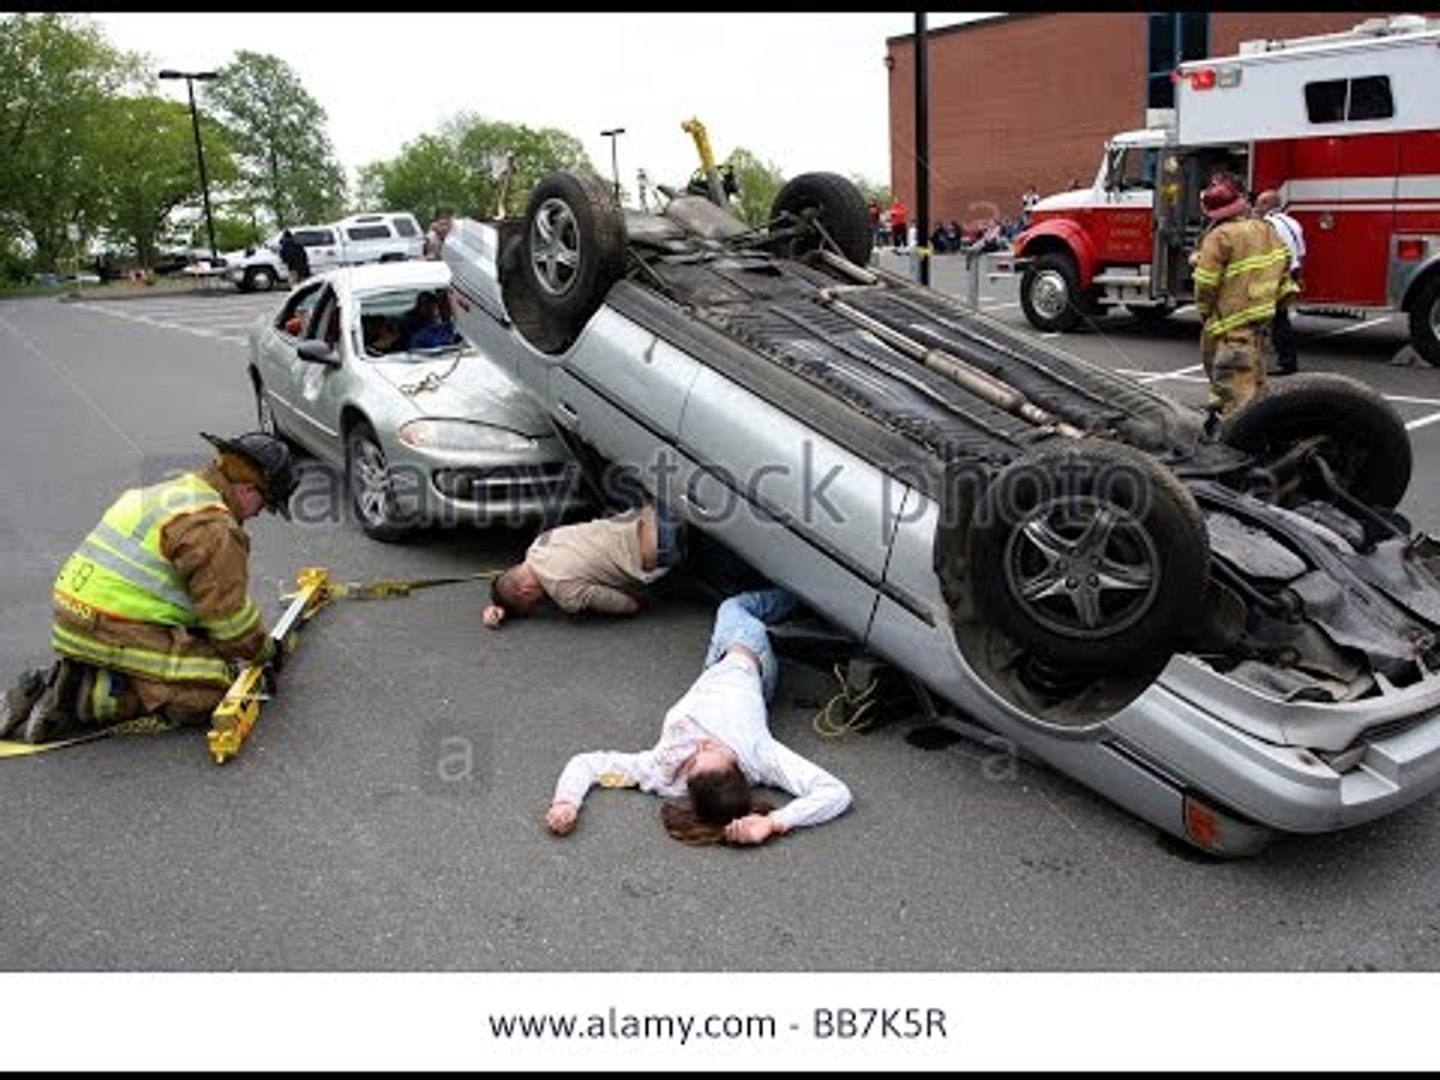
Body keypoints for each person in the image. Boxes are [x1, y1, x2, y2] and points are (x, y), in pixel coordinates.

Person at [0, 433, 298, 745]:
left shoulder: (175, 492)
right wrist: (264, 651)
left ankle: (90, 673)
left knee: (206, 653)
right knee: (215, 685)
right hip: (108, 625)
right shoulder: (214, 527)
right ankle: (83, 696)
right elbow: (228, 621)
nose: (257, 514)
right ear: (248, 488)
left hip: (74, 616)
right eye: (264, 504)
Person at [544, 587, 853, 846]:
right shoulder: (760, 755)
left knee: (729, 611)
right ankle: (802, 592)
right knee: (738, 610)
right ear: (740, 770)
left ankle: (794, 603)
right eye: (714, 750)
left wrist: (566, 801)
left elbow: (589, 764)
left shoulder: (663, 773)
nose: (701, 745)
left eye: (694, 761)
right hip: (747, 655)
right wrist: (774, 822)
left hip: (714, 667)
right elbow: (835, 793)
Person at [1191, 175, 1296, 421]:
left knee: (1235, 397)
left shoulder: (1219, 237)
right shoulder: (1265, 229)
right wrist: (1276, 302)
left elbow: (1205, 284)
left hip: (1230, 328)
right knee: (1255, 383)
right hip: (1260, 322)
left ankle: (1233, 444)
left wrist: (1205, 312)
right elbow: (1285, 265)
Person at [482, 502, 685, 629]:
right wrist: (503, 605)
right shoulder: (540, 543)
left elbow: (628, 605)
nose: (540, 605)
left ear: (525, 592)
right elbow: (512, 583)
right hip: (652, 510)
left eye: (533, 605)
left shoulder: (566, 594)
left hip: (664, 545)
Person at [1254, 188, 1306, 375]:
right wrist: (1299, 277)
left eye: (1259, 203)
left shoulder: (1266, 224)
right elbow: (1300, 253)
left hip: (1275, 275)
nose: (1256, 207)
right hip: (1291, 273)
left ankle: (1286, 362)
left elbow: (1263, 253)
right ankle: (1286, 360)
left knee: (1276, 320)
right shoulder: (1293, 222)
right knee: (1280, 318)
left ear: (1268, 204)